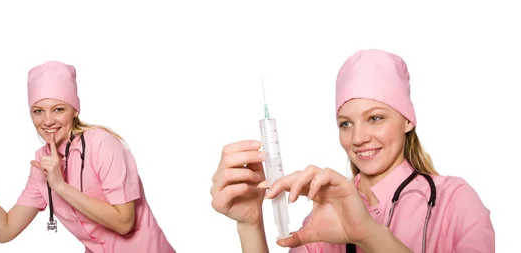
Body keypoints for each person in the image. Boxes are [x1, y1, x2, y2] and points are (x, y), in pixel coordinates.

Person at [210, 49, 495, 253]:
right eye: (346, 123)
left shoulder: (454, 202)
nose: (358, 138)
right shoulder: (327, 211)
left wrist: (367, 235)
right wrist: (250, 224)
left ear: (408, 119)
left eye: (375, 118)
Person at [0, 61, 175, 253]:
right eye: (38, 111)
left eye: (58, 109)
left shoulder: (102, 144)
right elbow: (5, 230)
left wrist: (60, 186)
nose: (47, 121)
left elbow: (125, 222)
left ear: (75, 109)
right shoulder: (41, 163)